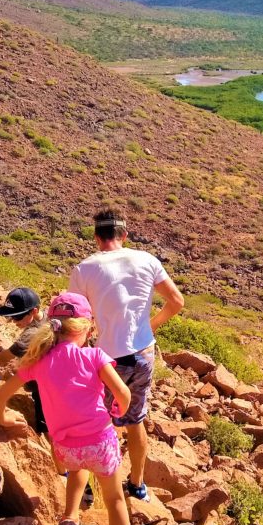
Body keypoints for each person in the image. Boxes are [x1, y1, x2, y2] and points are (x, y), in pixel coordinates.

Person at [0, 292, 135, 525]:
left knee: (78, 468)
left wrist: (2, 418)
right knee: (115, 499)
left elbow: (0, 397)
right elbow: (124, 394)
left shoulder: (38, 361)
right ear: (86, 327)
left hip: (65, 450)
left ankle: (69, 519)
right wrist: (117, 410)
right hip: (100, 443)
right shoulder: (95, 356)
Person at [69, 208, 184, 501]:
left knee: (101, 421)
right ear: (124, 236)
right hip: (143, 354)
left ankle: (94, 488)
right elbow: (176, 301)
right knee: (135, 421)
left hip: (108, 359)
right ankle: (137, 485)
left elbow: (76, 319)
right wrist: (149, 326)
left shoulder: (84, 269)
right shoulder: (147, 260)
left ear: (96, 238)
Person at [0, 287, 46, 433]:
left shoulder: (32, 334)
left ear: (34, 311)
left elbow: (3, 357)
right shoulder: (50, 317)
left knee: (45, 423)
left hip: (45, 387)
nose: (14, 321)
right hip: (59, 379)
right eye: (11, 316)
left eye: (17, 317)